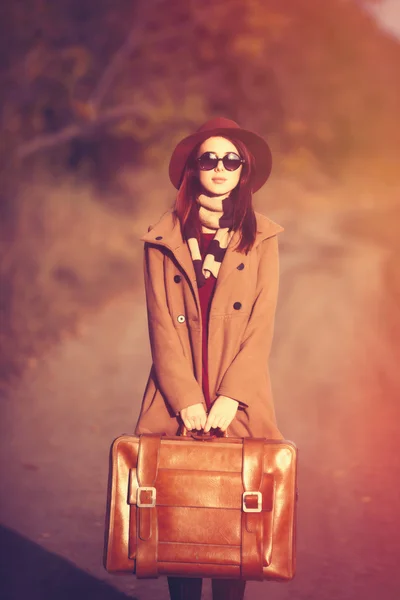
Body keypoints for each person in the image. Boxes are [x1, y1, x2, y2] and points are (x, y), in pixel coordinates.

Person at [135, 117, 284, 600]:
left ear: (244, 171)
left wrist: (231, 396)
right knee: (181, 520)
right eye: (209, 159)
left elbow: (263, 325)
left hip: (236, 397)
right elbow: (160, 323)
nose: (219, 168)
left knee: (235, 528)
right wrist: (186, 398)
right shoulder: (163, 236)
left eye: (230, 160)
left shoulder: (260, 237)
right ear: (193, 169)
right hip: (180, 397)